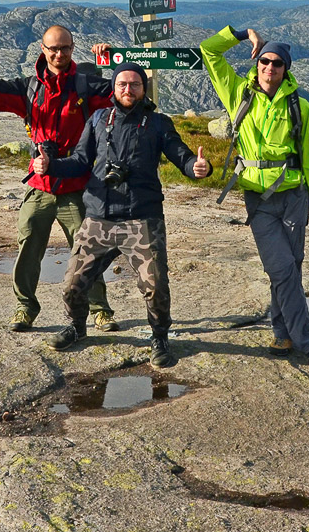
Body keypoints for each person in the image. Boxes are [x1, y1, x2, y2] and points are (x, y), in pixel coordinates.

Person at [0, 26, 119, 332]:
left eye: (65, 48)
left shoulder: (87, 87)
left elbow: (126, 94)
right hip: (40, 186)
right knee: (28, 246)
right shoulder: (29, 89)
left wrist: (113, 63)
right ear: (42, 49)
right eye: (53, 48)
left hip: (77, 184)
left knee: (87, 250)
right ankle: (25, 307)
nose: (59, 54)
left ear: (73, 49)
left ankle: (100, 309)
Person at [33, 62, 212, 367]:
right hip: (99, 217)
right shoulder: (99, 119)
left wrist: (196, 169)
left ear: (144, 88)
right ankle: (77, 328)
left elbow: (180, 154)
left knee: (155, 285)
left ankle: (159, 337)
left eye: (135, 84)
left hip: (142, 218)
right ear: (114, 89)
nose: (128, 90)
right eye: (122, 85)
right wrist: (51, 166)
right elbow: (79, 160)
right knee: (72, 286)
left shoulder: (158, 123)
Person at [199, 26, 309, 365]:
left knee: (290, 269)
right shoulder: (238, 94)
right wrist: (243, 34)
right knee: (282, 268)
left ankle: (281, 334)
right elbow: (209, 51)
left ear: (285, 69)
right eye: (264, 62)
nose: (269, 68)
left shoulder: (300, 107)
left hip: (294, 196)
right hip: (259, 200)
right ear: (256, 63)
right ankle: (306, 338)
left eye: (276, 64)